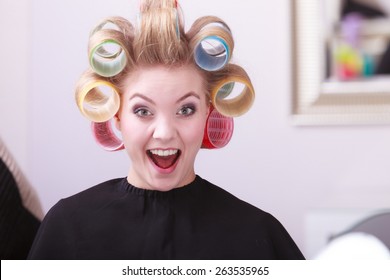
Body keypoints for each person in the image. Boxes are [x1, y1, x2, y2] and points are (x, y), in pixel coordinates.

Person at [28, 0, 304, 260]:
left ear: (208, 113)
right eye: (143, 111)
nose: (164, 133)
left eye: (185, 110)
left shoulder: (257, 234)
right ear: (117, 117)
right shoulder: (68, 227)